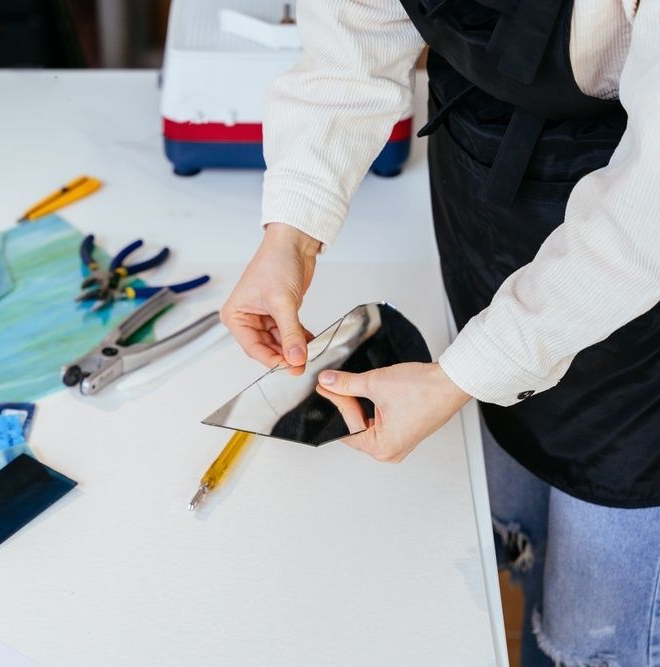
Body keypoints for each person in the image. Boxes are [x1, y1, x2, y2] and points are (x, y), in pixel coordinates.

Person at [220, 2, 660, 665]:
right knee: (511, 535)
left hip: (638, 299)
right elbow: (353, 38)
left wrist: (464, 373)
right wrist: (292, 233)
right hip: (486, 203)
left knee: (596, 629)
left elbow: (647, 211)